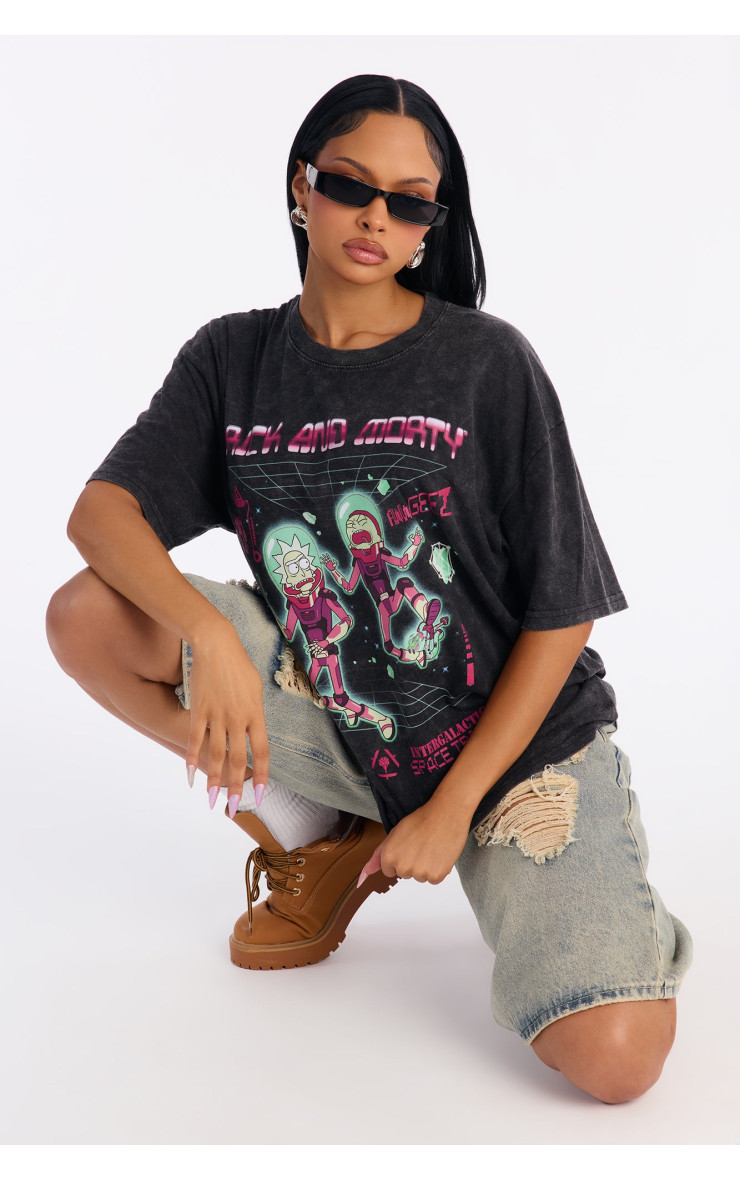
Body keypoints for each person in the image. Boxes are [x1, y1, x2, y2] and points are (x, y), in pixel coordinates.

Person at [46, 73, 692, 1104]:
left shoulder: (485, 363)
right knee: (86, 617)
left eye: (410, 202)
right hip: (342, 717)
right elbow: (101, 514)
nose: (375, 218)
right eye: (351, 185)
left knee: (614, 1059)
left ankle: (600, 900)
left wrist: (453, 810)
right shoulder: (233, 358)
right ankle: (318, 823)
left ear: (431, 226)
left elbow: (562, 608)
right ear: (301, 186)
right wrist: (206, 636)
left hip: (513, 752)